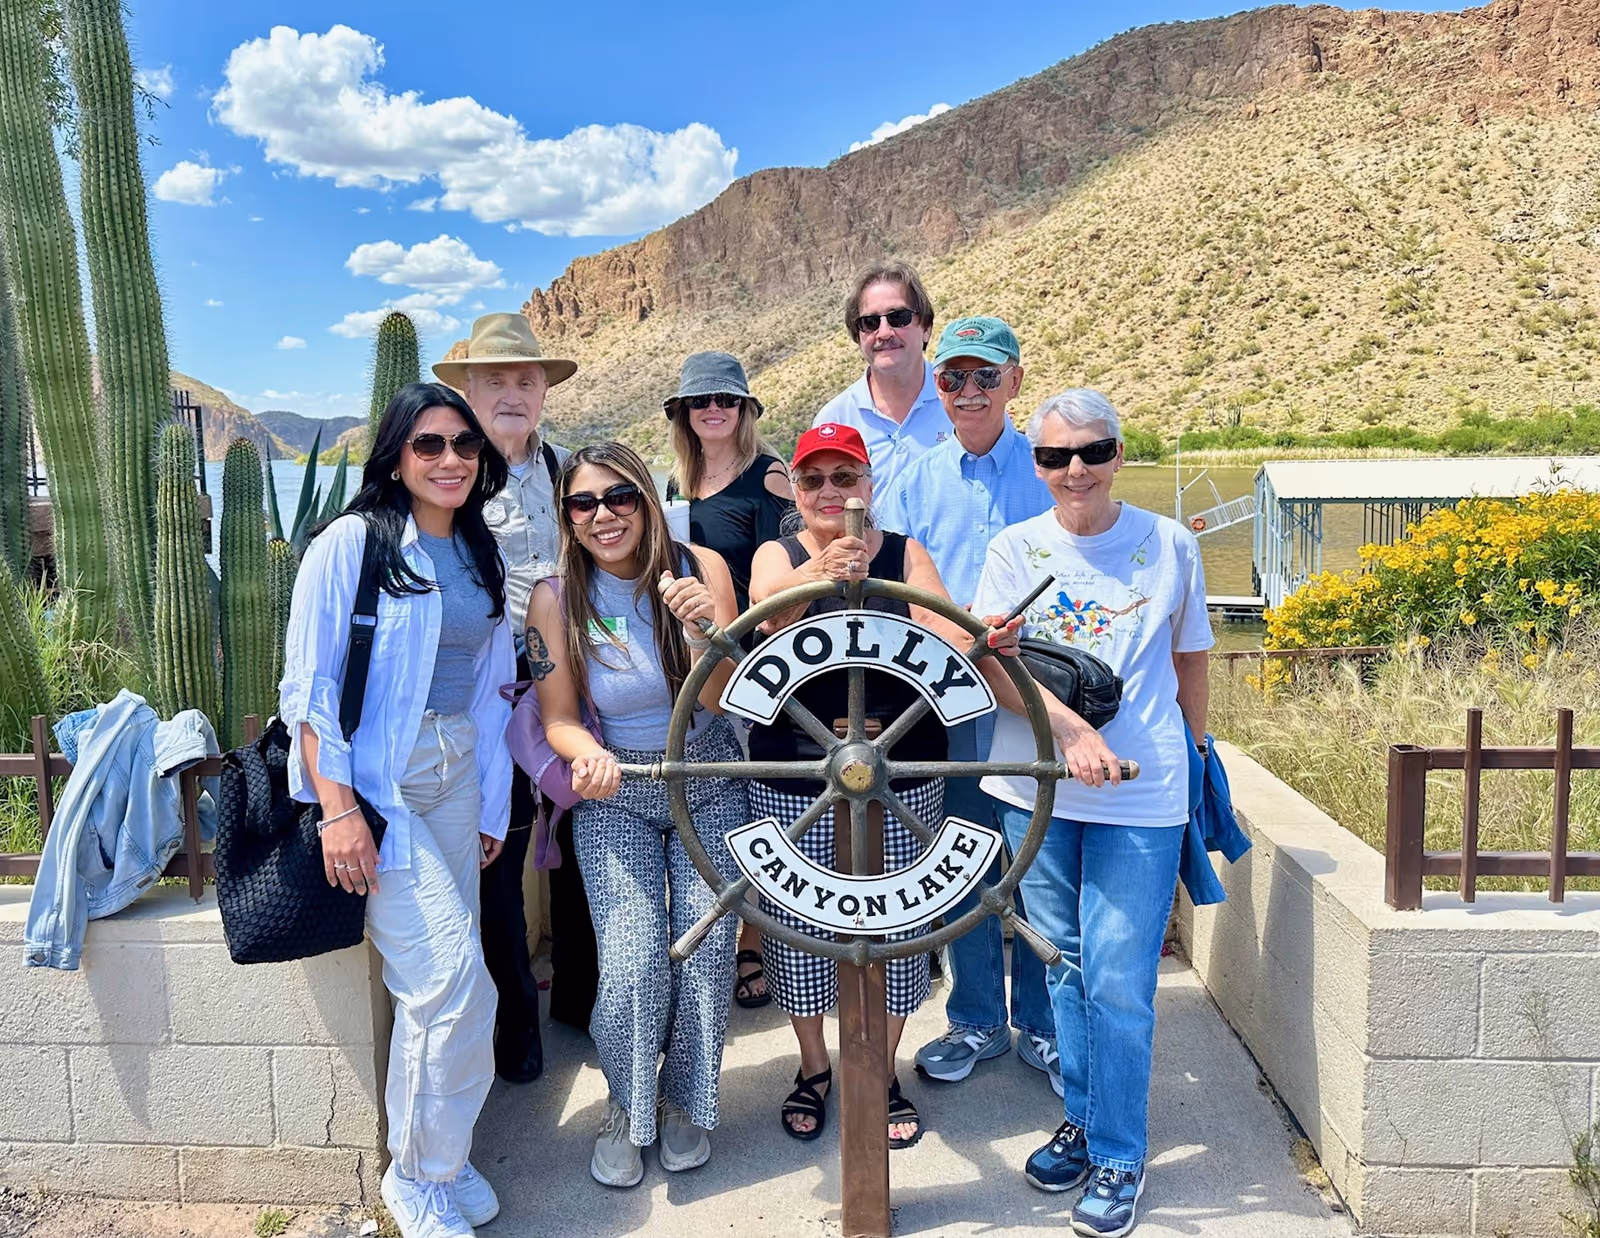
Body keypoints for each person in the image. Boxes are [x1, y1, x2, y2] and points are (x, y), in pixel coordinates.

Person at [971, 389, 1213, 1238]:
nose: (1074, 470)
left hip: (1141, 791)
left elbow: (1190, 666)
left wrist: (1198, 759)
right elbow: (993, 666)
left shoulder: (1169, 544)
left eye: (1092, 451)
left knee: (1118, 978)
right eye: (1053, 456)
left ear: (1117, 453)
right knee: (1065, 966)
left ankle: (1118, 1152)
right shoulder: (1013, 550)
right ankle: (1083, 1114)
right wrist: (1071, 731)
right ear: (1035, 465)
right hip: (1039, 787)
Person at [280, 381, 515, 1238]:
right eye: (429, 445)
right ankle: (414, 1180)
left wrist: (492, 799)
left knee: (442, 985)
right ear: (395, 455)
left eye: (463, 444)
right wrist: (336, 809)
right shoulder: (353, 543)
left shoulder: (478, 550)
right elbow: (306, 689)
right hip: (382, 784)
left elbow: (492, 690)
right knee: (450, 982)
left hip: (456, 772)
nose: (450, 459)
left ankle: (441, 1162)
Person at [746, 423, 1020, 1151]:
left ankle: (881, 1070)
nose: (832, 493)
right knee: (798, 928)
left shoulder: (905, 553)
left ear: (870, 485)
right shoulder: (777, 554)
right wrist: (819, 576)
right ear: (796, 492)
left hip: (902, 769)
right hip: (796, 770)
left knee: (900, 927)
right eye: (816, 481)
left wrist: (982, 636)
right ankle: (815, 1067)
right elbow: (759, 627)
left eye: (846, 478)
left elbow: (941, 627)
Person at [523, 441, 749, 1188]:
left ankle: (688, 1101)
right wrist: (583, 750)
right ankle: (627, 1103)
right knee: (632, 955)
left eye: (619, 496)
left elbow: (728, 698)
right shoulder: (556, 599)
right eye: (583, 503)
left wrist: (702, 632)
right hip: (616, 789)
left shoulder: (701, 569)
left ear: (647, 497)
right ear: (567, 517)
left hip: (709, 778)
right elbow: (557, 716)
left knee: (708, 949)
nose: (603, 516)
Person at [879, 317, 1060, 1097]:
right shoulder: (917, 478)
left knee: (1040, 861)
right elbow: (898, 588)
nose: (967, 392)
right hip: (946, 702)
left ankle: (1048, 1029)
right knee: (967, 859)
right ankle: (979, 1018)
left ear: (1016, 381)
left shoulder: (1052, 466)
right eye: (951, 378)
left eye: (986, 376)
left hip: (1036, 700)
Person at [434, 312, 598, 1082]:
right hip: (486, 696)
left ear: (543, 393)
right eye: (495, 380)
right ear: (467, 390)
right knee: (499, 852)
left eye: (525, 381)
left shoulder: (565, 470)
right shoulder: (453, 477)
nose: (512, 394)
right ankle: (515, 1033)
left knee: (579, 834)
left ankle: (579, 998)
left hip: (566, 681)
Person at [663, 350, 795, 1009]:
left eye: (727, 400)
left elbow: (792, 568)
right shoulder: (673, 486)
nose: (713, 409)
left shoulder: (769, 478)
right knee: (722, 804)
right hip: (696, 669)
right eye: (700, 401)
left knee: (757, 804)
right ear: (684, 414)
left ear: (745, 410)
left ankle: (753, 945)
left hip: (758, 668)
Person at [813, 262, 951, 508]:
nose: (884, 332)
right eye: (870, 322)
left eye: (899, 317)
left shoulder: (961, 403)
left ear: (927, 328)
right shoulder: (834, 420)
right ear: (858, 336)